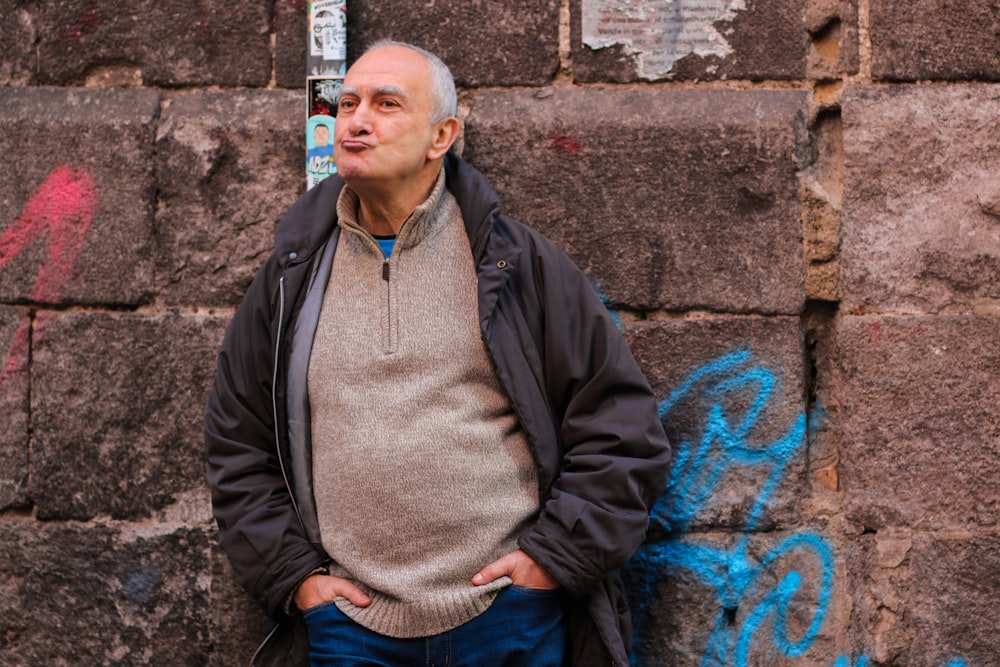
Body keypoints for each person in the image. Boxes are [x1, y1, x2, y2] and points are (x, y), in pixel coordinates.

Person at [205, 40, 671, 667]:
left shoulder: (514, 265)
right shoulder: (291, 279)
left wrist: (551, 561)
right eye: (347, 104)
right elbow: (238, 445)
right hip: (349, 631)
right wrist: (298, 581)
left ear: (441, 135)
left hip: (506, 620)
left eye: (386, 103)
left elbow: (621, 427)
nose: (357, 120)